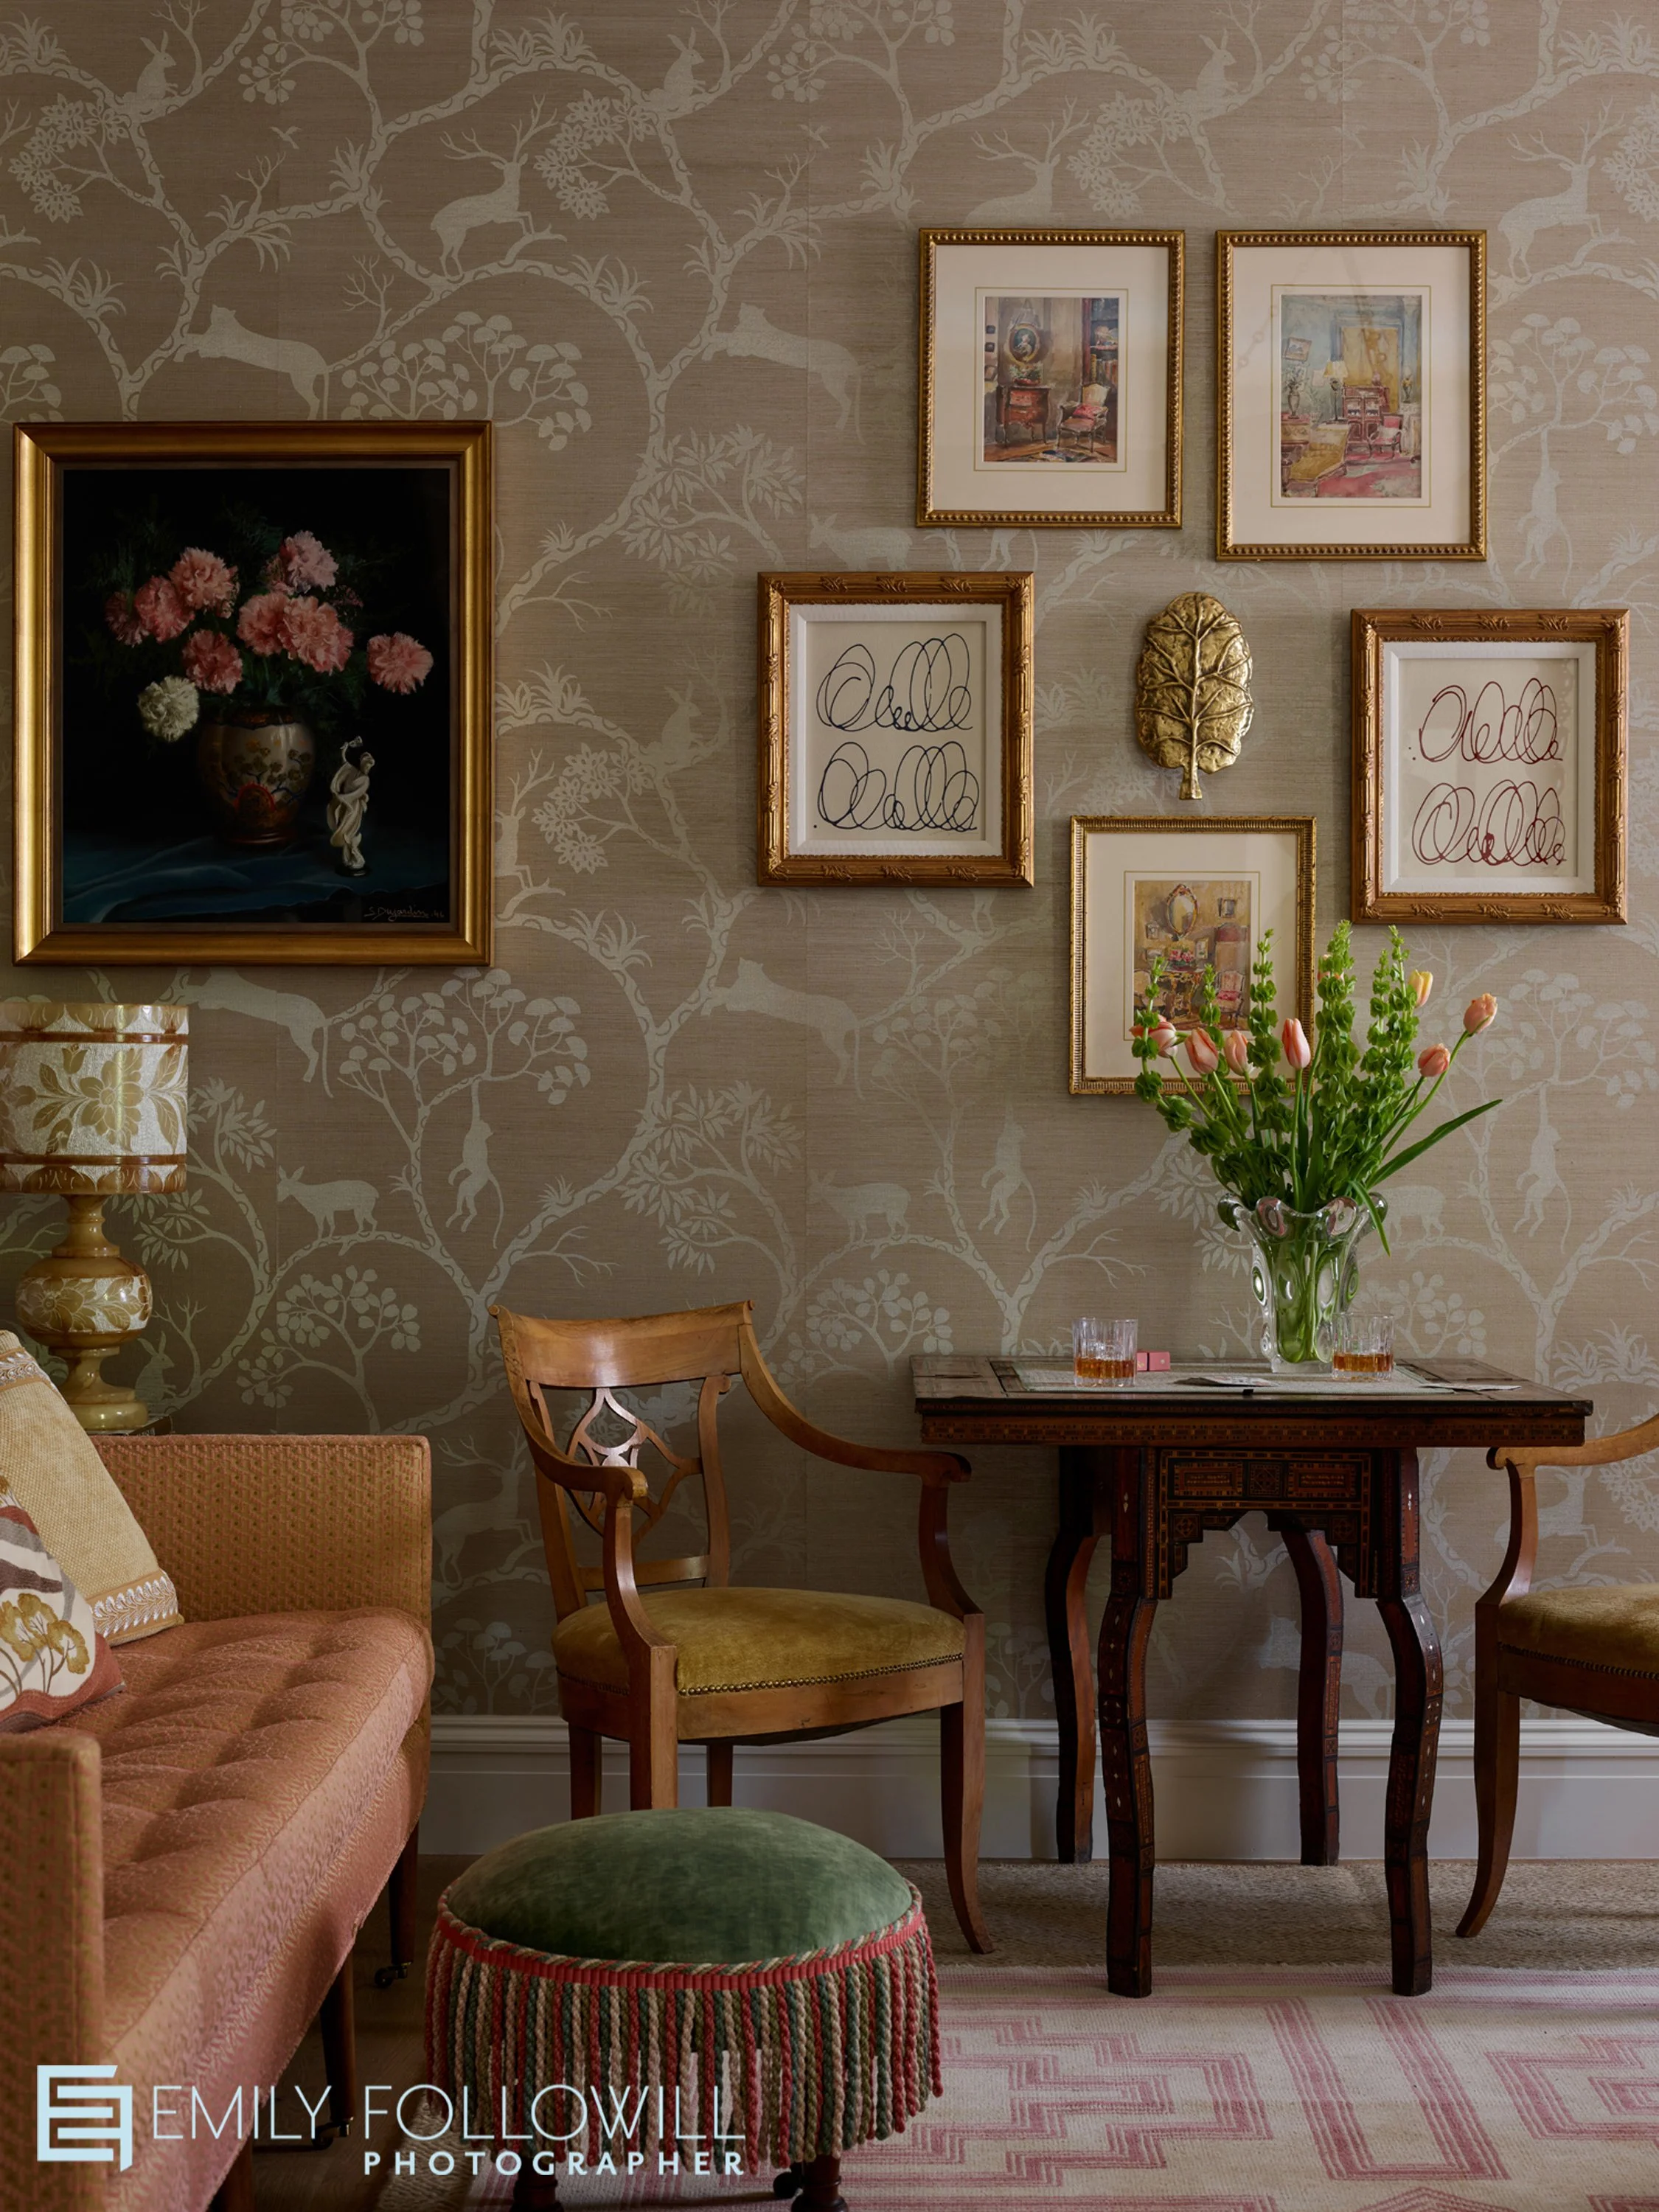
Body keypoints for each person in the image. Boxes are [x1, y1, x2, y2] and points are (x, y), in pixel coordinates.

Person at [327, 740, 374, 875]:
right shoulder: (353, 771)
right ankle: (347, 859)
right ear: (362, 763)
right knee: (343, 829)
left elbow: (357, 794)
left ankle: (355, 857)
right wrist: (345, 749)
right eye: (366, 765)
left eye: (369, 767)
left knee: (349, 831)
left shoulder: (366, 780)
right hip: (344, 805)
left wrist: (344, 798)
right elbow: (344, 763)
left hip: (353, 807)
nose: (367, 768)